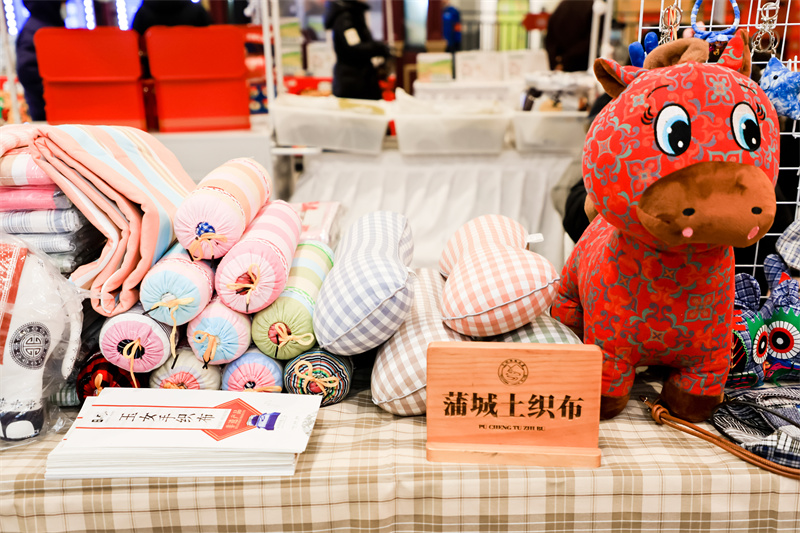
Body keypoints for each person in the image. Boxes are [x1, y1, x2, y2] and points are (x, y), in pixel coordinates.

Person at [324, 0, 389, 100]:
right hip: (353, 82)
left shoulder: (353, 13)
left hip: (357, 79)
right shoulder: (346, 17)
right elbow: (354, 47)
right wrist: (379, 48)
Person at [15, 0, 65, 122]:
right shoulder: (37, 30)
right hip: (45, 110)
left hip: (56, 108)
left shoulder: (50, 24)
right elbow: (27, 71)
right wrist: (55, 92)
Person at [544, 0, 596, 72]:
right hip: (582, 65)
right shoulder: (594, 7)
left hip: (560, 66)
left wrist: (557, 62)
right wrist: (565, 61)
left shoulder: (561, 7)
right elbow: (592, 40)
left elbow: (550, 40)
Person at [131, 0, 213, 36]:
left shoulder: (142, 12)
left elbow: (135, 45)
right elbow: (209, 40)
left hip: (153, 66)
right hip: (194, 63)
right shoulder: (198, 11)